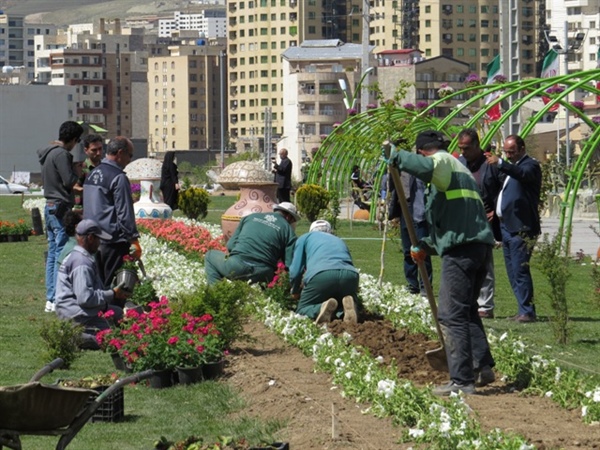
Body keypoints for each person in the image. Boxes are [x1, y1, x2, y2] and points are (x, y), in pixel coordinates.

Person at [385, 130, 496, 396]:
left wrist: (396, 155)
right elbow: (455, 222)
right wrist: (425, 247)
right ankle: (484, 365)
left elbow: (423, 165)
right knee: (467, 309)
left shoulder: (441, 162)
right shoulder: (460, 172)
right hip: (477, 247)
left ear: (423, 150)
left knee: (450, 314)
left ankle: (461, 380)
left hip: (461, 252)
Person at [486, 135, 542, 323]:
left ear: (522, 149)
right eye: (506, 152)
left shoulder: (529, 165)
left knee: (520, 270)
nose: (508, 155)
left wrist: (501, 162)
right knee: (512, 271)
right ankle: (522, 309)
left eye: (511, 151)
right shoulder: (511, 169)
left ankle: (527, 311)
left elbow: (523, 175)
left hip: (521, 228)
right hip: (506, 227)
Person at [55, 219, 129, 349]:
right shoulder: (82, 263)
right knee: (117, 338)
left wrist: (111, 290)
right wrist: (112, 293)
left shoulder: (78, 256)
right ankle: (78, 336)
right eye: (98, 239)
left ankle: (79, 334)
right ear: (90, 238)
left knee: (118, 313)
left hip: (75, 312)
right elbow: (85, 299)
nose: (100, 243)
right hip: (77, 316)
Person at [457, 128, 505, 319]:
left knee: (484, 263)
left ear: (477, 146)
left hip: (486, 220)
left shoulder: (490, 164)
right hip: (464, 219)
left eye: (467, 148)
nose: (463, 152)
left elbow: (504, 189)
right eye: (461, 148)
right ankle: (468, 301)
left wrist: (497, 210)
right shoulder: (459, 163)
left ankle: (485, 305)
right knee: (464, 262)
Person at [37, 120, 84, 313]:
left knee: (53, 252)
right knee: (60, 253)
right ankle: (57, 297)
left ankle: (51, 298)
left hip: (49, 205)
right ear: (73, 139)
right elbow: (69, 181)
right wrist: (79, 175)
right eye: (78, 140)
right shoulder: (63, 154)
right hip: (60, 206)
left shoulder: (47, 153)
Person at [83, 136, 141, 287]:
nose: (130, 160)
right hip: (112, 241)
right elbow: (124, 213)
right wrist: (133, 240)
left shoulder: (92, 174)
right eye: (130, 155)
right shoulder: (118, 177)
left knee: (97, 285)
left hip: (92, 239)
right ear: (120, 153)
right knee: (113, 288)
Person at [204, 202, 299, 285]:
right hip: (264, 274)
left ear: (276, 210)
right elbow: (289, 264)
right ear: (288, 217)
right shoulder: (289, 232)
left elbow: (230, 245)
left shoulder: (250, 217)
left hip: (237, 266)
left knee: (209, 256)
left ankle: (216, 291)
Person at [289, 220, 359, 324]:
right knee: (344, 300)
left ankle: (320, 308)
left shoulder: (305, 237)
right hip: (350, 274)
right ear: (330, 231)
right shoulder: (339, 240)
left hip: (322, 274)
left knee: (302, 309)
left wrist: (294, 290)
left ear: (311, 230)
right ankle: (343, 311)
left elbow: (295, 270)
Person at [73, 134, 104, 210]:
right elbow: (75, 187)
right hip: (84, 209)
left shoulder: (105, 168)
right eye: (94, 150)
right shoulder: (80, 168)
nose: (98, 153)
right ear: (86, 150)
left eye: (100, 149)